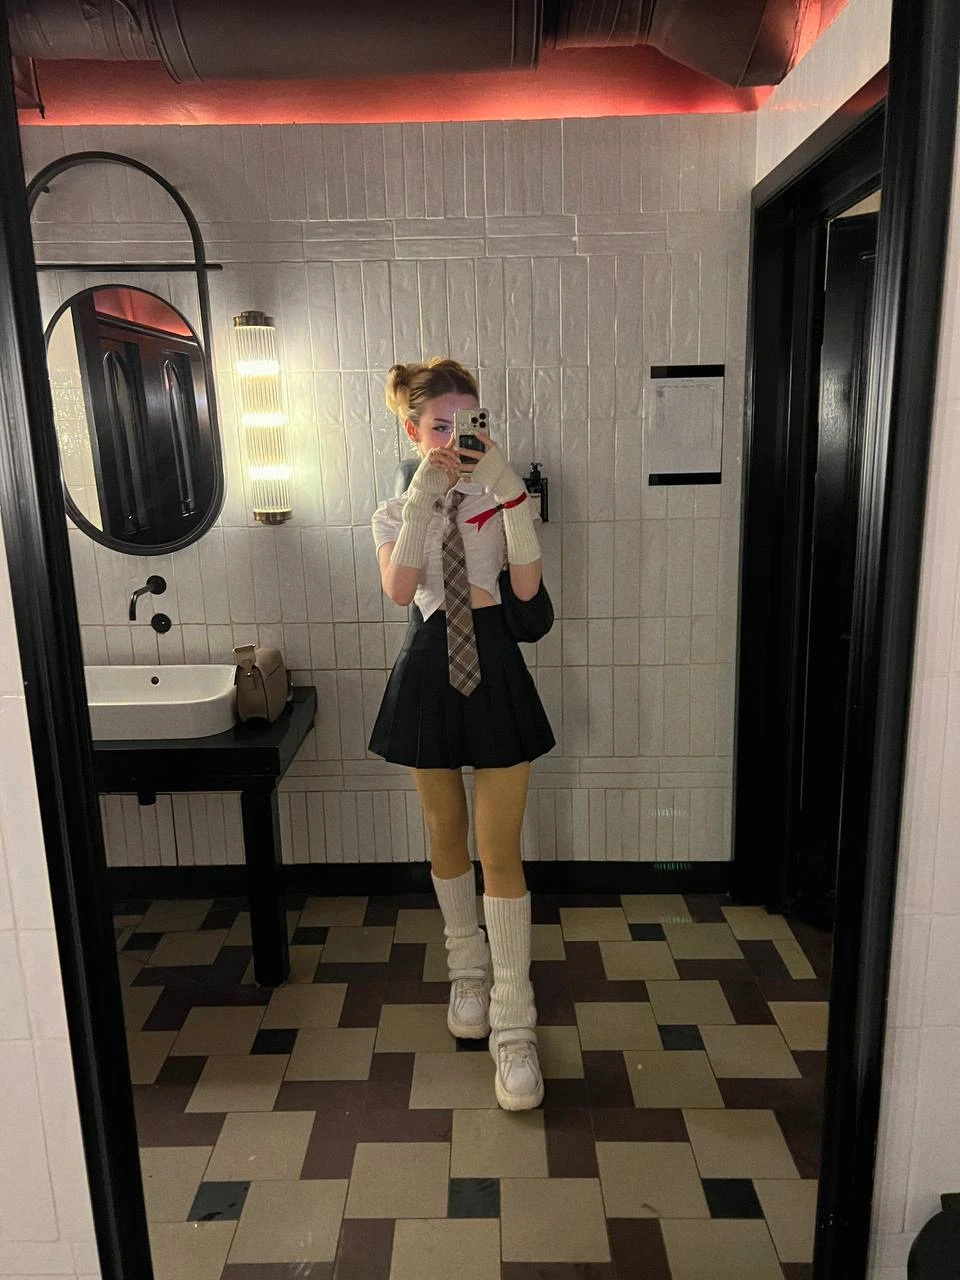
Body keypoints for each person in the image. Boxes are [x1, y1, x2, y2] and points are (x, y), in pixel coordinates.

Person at [369, 357, 556, 1112]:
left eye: (468, 422)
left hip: (496, 662)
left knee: (500, 847)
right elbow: (398, 588)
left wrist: (510, 493)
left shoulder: (496, 498)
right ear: (413, 431)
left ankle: (515, 1020)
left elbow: (526, 588)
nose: (454, 437)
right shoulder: (392, 511)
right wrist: (422, 497)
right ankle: (468, 975)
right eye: (439, 426)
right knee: (446, 834)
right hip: (428, 665)